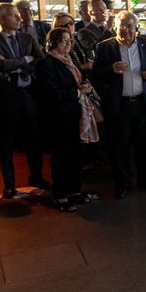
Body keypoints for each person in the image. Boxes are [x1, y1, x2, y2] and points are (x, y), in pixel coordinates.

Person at [0, 2, 49, 199]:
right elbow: (1, 65)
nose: (19, 18)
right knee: (7, 142)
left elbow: (40, 61)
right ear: (0, 19)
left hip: (29, 94)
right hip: (7, 98)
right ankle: (10, 184)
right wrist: (25, 61)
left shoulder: (27, 38)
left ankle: (36, 177)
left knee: (34, 140)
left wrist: (18, 65)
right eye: (14, 15)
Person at [92, 12, 146, 199]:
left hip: (141, 103)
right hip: (119, 105)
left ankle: (145, 179)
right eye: (122, 25)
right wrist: (111, 69)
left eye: (130, 26)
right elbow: (95, 74)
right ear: (116, 27)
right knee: (119, 147)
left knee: (144, 145)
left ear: (136, 28)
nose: (126, 29)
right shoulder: (105, 48)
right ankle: (122, 183)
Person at [35, 28, 97, 212]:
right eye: (64, 41)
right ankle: (60, 195)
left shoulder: (69, 61)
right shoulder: (46, 64)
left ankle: (75, 190)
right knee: (62, 156)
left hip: (75, 114)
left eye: (70, 40)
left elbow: (73, 83)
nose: (69, 44)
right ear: (53, 43)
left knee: (77, 155)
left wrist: (83, 86)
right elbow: (50, 93)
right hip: (58, 117)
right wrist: (78, 92)